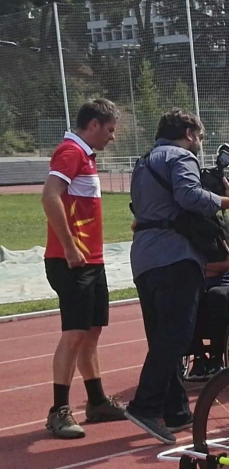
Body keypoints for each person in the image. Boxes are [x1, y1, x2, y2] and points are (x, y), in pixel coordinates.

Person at [125, 108, 229, 445]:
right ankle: (146, 405)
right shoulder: (178, 156)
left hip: (143, 255)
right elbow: (189, 196)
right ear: (188, 133)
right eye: (200, 137)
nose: (200, 144)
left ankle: (175, 410)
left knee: (161, 333)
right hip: (174, 255)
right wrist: (225, 201)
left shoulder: (143, 162)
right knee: (176, 334)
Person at [41, 98, 125, 439]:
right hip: (71, 261)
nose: (112, 138)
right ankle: (58, 410)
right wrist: (70, 246)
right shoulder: (71, 152)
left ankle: (97, 402)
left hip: (92, 260)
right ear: (93, 125)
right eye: (109, 130)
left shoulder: (85, 157)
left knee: (91, 333)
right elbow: (49, 197)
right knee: (74, 334)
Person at [187, 217, 229, 379]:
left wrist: (203, 267)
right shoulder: (191, 229)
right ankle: (198, 358)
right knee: (186, 297)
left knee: (215, 295)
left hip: (227, 286)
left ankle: (216, 358)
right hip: (199, 286)